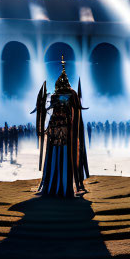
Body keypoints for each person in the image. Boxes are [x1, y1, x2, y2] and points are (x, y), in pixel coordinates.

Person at [33, 60, 89, 197]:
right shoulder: (69, 96)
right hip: (62, 134)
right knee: (62, 157)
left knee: (61, 158)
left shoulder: (62, 96)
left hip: (59, 134)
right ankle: (62, 185)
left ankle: (61, 184)